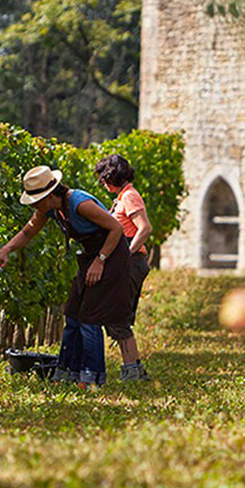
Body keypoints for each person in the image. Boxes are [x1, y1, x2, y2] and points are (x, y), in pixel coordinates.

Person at [0, 166, 131, 387]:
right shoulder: (50, 209)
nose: (34, 205)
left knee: (90, 318)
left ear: (51, 195)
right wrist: (4, 250)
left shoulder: (79, 203)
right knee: (72, 315)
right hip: (92, 257)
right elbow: (28, 232)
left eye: (37, 200)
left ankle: (92, 378)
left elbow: (116, 228)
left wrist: (100, 261)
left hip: (111, 257)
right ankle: (67, 373)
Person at [94, 154, 152, 382]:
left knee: (117, 316)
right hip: (129, 261)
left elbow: (144, 228)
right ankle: (134, 367)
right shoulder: (124, 196)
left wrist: (125, 256)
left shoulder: (129, 197)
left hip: (131, 261)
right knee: (120, 315)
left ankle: (131, 371)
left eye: (103, 179)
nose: (102, 184)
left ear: (111, 178)